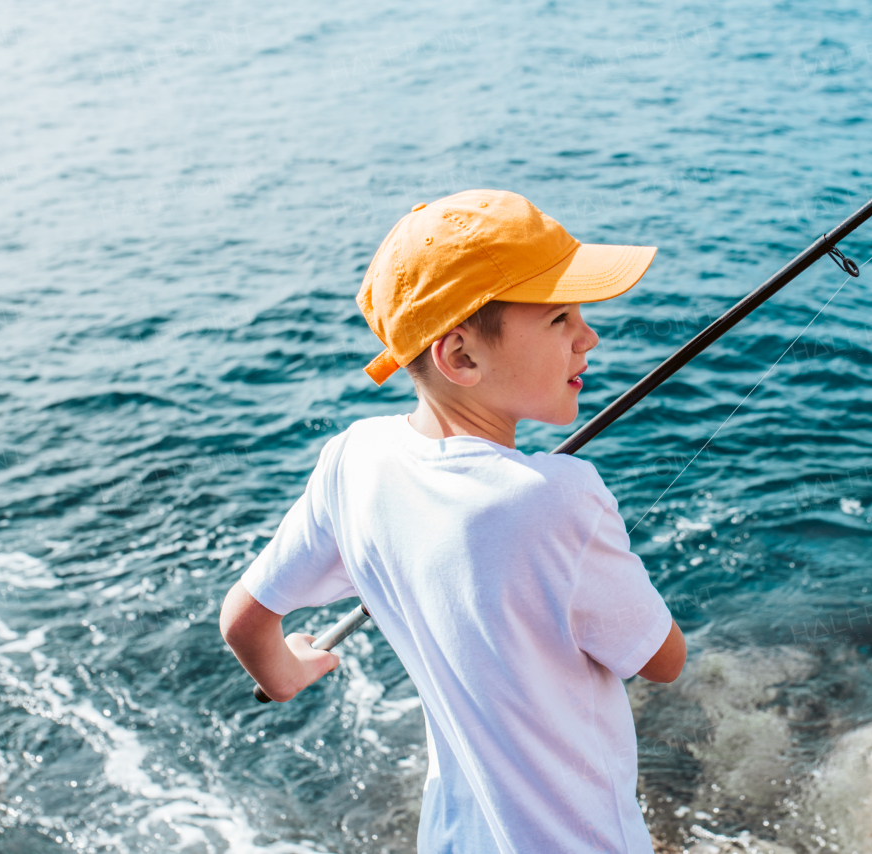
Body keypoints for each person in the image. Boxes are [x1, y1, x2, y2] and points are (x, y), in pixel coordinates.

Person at [219, 189, 685, 853]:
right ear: (460, 356)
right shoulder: (561, 497)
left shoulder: (354, 458)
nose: (590, 336)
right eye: (559, 319)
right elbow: (664, 660)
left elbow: (244, 618)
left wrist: (284, 675)